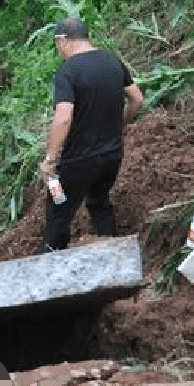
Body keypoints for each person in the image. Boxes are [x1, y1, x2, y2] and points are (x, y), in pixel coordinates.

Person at [38, 18, 144, 252]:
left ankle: (50, 266)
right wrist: (120, 124)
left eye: (57, 45)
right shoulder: (112, 61)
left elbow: (64, 117)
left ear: (62, 41)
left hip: (78, 161)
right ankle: (116, 258)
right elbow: (137, 99)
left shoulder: (68, 72)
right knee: (99, 202)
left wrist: (51, 160)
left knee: (59, 208)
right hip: (112, 155)